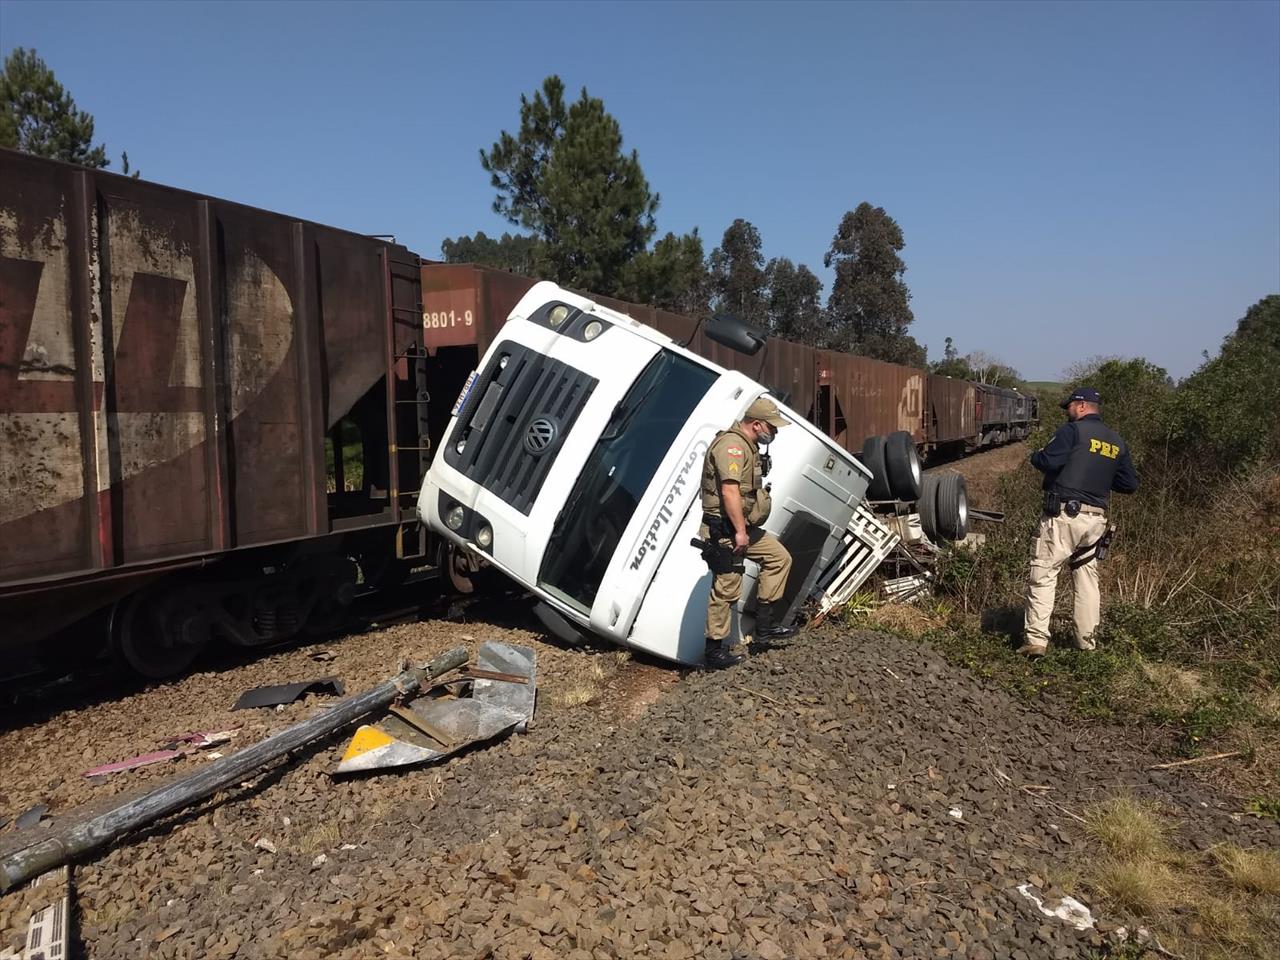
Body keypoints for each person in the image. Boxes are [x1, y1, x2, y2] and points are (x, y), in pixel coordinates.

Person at [1020, 386, 1138, 656]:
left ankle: (1036, 642)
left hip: (1064, 517)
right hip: (1096, 521)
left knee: (1044, 574)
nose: (1068, 412)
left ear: (1082, 406)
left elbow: (1047, 461)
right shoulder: (1117, 442)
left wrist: (1036, 454)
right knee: (1087, 582)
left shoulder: (1072, 432)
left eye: (1070, 406)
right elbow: (1129, 484)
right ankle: (1087, 644)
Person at [699, 396, 796, 668]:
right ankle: (714, 653)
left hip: (741, 526)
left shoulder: (747, 446)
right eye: (771, 428)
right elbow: (729, 491)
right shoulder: (732, 446)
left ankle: (765, 629)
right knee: (727, 587)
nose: (773, 433)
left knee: (779, 558)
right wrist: (740, 531)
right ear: (756, 424)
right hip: (726, 530)